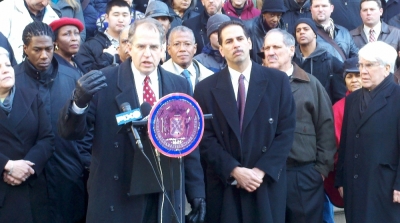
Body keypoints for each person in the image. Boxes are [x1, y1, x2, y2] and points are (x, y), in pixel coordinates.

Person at [57, 17, 206, 222]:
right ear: (128, 47)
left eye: (154, 47)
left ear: (163, 48)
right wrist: (78, 102)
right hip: (117, 195)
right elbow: (71, 133)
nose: (147, 53)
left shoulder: (179, 85)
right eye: (141, 46)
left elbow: (188, 144)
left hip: (164, 194)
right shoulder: (104, 81)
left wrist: (196, 192)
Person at [193, 20, 296, 223]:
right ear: (221, 50)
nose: (236, 44)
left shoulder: (278, 81)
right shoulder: (205, 89)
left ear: (250, 43)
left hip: (265, 183)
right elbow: (204, 136)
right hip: (225, 185)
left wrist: (259, 171)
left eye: (240, 39)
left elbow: (286, 131)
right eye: (229, 41)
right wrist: (233, 170)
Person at [14, 21, 92, 223]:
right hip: (28, 178)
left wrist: (81, 160)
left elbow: (88, 123)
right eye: (37, 50)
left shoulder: (73, 77)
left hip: (69, 173)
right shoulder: (12, 80)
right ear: (25, 49)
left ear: (54, 46)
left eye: (48, 49)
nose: (43, 56)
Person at [262, 28, 335, 223]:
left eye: (276, 47)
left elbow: (326, 128)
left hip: (303, 176)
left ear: (291, 49)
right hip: (264, 175)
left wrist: (320, 171)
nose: (270, 52)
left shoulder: (311, 85)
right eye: (267, 47)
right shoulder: (254, 84)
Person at [335, 41, 400, 223]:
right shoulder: (353, 99)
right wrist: (341, 179)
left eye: (369, 65)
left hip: (385, 185)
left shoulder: (397, 97)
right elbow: (346, 142)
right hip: (355, 184)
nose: (363, 71)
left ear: (387, 68)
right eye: (361, 65)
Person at [0, 47, 54, 222]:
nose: (5, 69)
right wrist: (7, 165)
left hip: (32, 186)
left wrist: (26, 168)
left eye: (7, 64)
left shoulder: (31, 96)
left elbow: (46, 139)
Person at [323, 57, 360, 209]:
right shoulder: (337, 108)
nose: (354, 80)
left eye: (357, 75)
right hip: (349, 173)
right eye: (349, 76)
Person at [292, 18, 346, 104]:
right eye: (298, 30)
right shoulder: (290, 60)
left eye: (306, 29)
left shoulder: (331, 61)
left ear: (315, 34)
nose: (301, 32)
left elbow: (340, 97)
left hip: (322, 112)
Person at [75, 0, 131, 73]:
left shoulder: (137, 44)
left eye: (125, 15)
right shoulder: (89, 46)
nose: (121, 20)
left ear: (130, 18)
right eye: (116, 15)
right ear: (106, 17)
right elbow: (85, 77)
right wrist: (106, 57)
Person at [162, 26, 213, 93]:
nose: (182, 49)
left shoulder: (208, 76)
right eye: (177, 44)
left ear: (195, 48)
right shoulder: (160, 77)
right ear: (169, 49)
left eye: (187, 44)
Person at [245, 0, 286, 64]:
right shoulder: (250, 28)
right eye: (272, 15)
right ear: (263, 14)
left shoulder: (282, 28)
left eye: (279, 16)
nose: (275, 19)